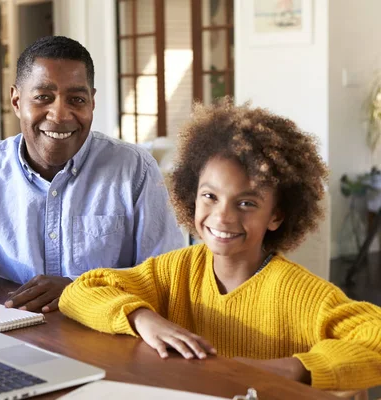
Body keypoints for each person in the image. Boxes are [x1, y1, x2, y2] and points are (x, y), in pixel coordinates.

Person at [59, 98, 381, 390]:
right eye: (210, 197)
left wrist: (291, 369)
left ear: (276, 216)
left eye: (247, 203)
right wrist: (143, 318)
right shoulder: (175, 271)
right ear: (191, 196)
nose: (222, 217)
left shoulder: (301, 294)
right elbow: (80, 291)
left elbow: (374, 336)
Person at [0, 36, 184, 313]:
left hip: (108, 336)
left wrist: (78, 288)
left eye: (77, 100)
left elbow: (166, 275)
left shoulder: (136, 170)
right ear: (17, 102)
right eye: (43, 97)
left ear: (92, 102)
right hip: (13, 331)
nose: (60, 115)